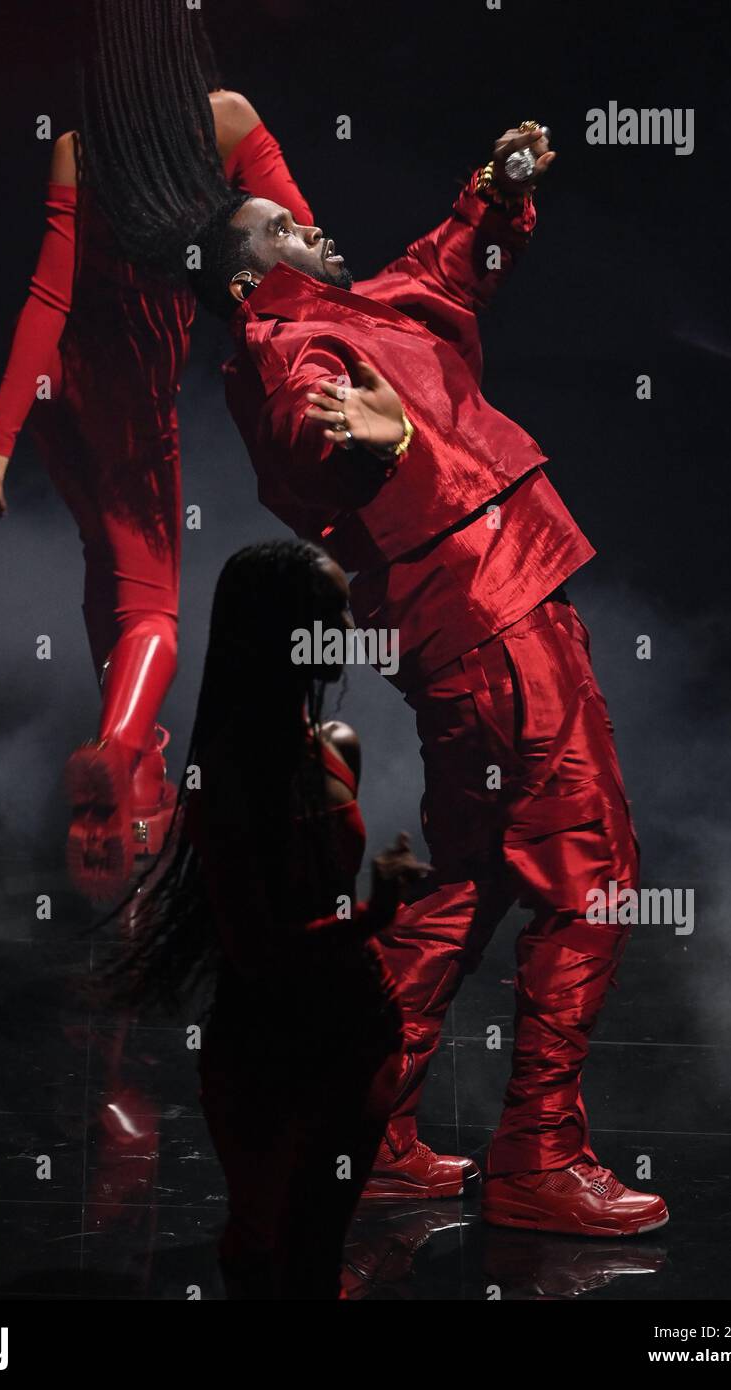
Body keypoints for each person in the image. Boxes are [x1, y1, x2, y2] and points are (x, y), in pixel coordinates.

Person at [183, 121, 670, 1236]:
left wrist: (496, 196)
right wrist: (382, 445)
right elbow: (302, 441)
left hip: (498, 603)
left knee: (468, 879)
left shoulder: (360, 309)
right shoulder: (284, 345)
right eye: (280, 226)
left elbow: (452, 264)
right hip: (487, 614)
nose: (306, 221)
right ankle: (536, 1156)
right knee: (589, 871)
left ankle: (365, 1131)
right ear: (253, 274)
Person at [0, 0, 313, 900]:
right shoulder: (226, 122)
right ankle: (120, 753)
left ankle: (139, 784)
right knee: (155, 609)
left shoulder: (78, 148)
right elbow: (296, 243)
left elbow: (47, 300)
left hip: (63, 405)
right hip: (132, 415)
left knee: (104, 571)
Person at [106, 540, 426, 1299]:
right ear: (276, 630)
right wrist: (375, 913)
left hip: (360, 1037)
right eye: (326, 612)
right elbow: (255, 953)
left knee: (310, 1248)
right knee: (267, 1249)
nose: (348, 627)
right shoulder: (226, 774)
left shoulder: (338, 747)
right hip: (268, 1048)